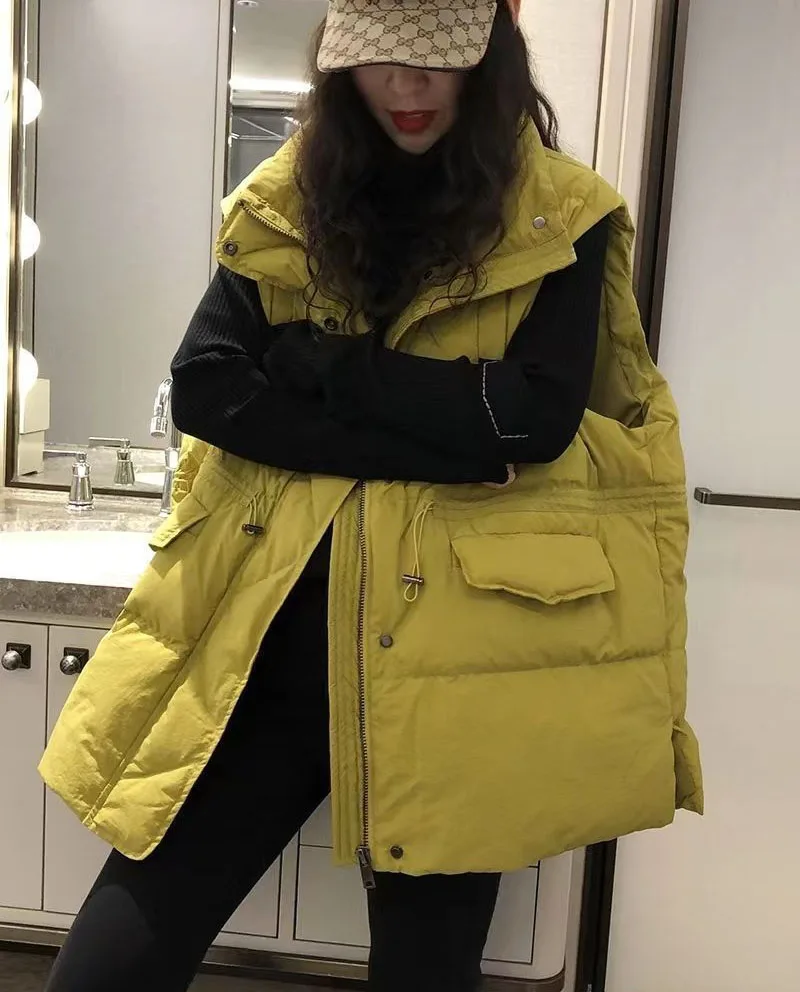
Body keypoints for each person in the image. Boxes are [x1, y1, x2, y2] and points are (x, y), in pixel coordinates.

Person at [40, 1, 703, 990]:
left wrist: (325, 366)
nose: (407, 83)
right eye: (379, 58)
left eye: (436, 58)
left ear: (490, 63)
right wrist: (445, 443)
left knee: (426, 969)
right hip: (266, 638)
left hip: (461, 662)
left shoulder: (566, 216)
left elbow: (533, 420)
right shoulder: (290, 197)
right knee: (114, 957)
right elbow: (210, 388)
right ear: (338, 67)